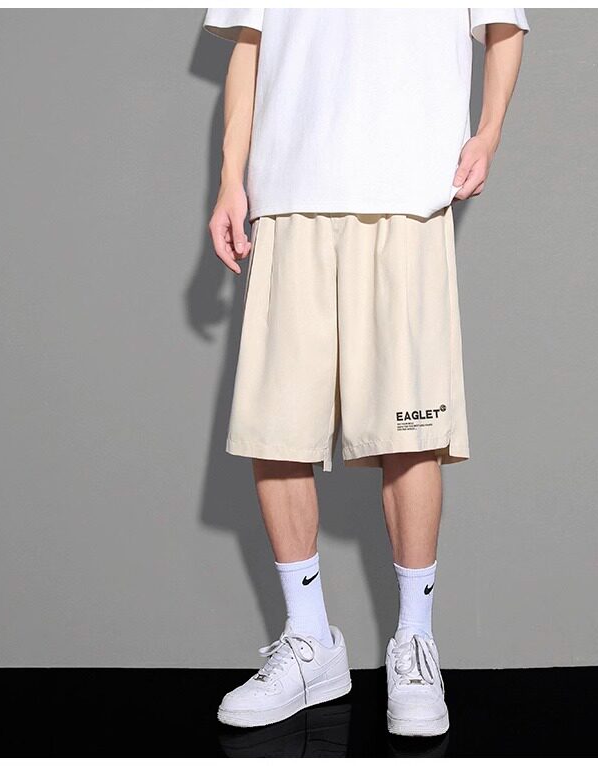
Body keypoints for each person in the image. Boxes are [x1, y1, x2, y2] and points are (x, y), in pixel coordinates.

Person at [203, 7, 528, 737]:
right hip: (288, 193)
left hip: (407, 194)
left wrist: (488, 132)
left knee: (410, 434)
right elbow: (251, 43)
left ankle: (415, 644)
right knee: (278, 430)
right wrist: (231, 179)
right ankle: (310, 642)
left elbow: (505, 23)